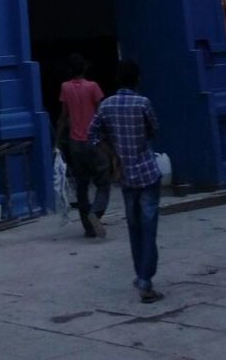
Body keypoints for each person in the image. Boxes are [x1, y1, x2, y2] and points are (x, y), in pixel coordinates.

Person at [88, 60, 163, 303]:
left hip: (125, 174)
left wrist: (113, 156)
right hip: (147, 172)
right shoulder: (143, 103)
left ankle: (141, 273)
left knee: (134, 227)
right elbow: (154, 130)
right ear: (137, 79)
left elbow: (92, 135)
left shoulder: (106, 105)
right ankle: (145, 281)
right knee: (149, 227)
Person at [55, 53, 110, 238]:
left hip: (74, 143)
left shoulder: (65, 87)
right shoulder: (93, 87)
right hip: (92, 141)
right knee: (103, 181)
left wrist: (57, 140)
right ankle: (97, 212)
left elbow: (64, 116)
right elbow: (101, 115)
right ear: (85, 68)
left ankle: (88, 227)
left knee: (81, 185)